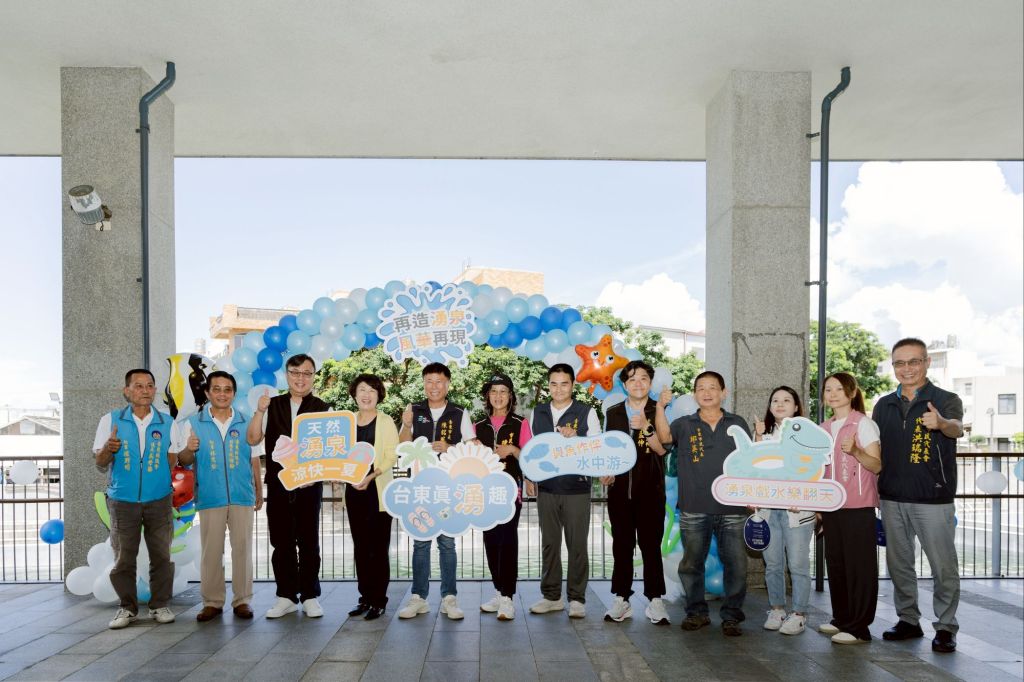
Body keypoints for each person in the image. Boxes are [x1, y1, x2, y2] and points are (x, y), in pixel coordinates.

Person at [874, 338, 964, 653]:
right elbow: (877, 449)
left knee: (943, 566)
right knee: (899, 564)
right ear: (893, 366)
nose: (907, 368)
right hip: (892, 497)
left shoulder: (945, 399)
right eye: (900, 363)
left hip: (933, 498)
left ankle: (946, 627)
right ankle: (908, 620)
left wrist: (941, 423)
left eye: (914, 361)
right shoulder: (883, 404)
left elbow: (956, 428)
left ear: (926, 362)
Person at [658, 370, 750, 637]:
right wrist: (660, 407)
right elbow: (664, 439)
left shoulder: (737, 423)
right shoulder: (684, 424)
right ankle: (696, 613)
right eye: (701, 388)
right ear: (695, 394)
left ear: (723, 392)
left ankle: (732, 616)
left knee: (737, 566)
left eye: (712, 387)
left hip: (733, 508)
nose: (706, 392)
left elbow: (749, 460)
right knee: (691, 565)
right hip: (694, 507)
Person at [172, 371, 263, 622]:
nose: (222, 394)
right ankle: (212, 602)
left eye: (227, 389)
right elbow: (184, 460)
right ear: (207, 393)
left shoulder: (247, 421)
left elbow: (255, 457)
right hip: (210, 496)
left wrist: (258, 489)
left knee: (242, 549)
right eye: (217, 389)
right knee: (211, 551)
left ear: (234, 393)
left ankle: (242, 600)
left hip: (241, 495)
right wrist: (189, 448)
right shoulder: (193, 423)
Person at [92, 369, 176, 629]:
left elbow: (172, 459)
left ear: (155, 390)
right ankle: (127, 608)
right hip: (123, 500)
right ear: (126, 391)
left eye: (150, 385)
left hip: (159, 500)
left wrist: (157, 481)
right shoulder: (111, 420)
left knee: (161, 556)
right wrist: (109, 448)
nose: (145, 390)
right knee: (123, 557)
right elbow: (100, 461)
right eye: (138, 386)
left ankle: (159, 605)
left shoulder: (167, 422)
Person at [247, 353, 329, 619]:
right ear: (287, 375)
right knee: (281, 541)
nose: (300, 378)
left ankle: (310, 596)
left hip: (310, 484)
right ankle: (286, 597)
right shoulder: (272, 404)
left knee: (309, 541)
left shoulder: (324, 408)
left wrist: (318, 473)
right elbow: (253, 439)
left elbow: (331, 450)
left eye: (306, 373)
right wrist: (260, 411)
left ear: (313, 377)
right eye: (295, 372)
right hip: (279, 483)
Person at [397, 362, 476, 620]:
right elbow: (402, 447)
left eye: (439, 381)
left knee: (447, 543)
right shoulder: (414, 409)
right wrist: (406, 425)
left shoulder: (459, 413)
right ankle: (419, 598)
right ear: (424, 384)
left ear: (447, 384)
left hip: (448, 489)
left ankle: (449, 598)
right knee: (420, 543)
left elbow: (472, 449)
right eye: (429, 381)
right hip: (420, 488)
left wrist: (450, 447)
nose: (434, 386)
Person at [527, 363, 601, 619]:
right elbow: (532, 448)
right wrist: (530, 476)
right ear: (548, 385)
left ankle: (577, 598)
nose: (558, 389)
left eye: (564, 384)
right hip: (547, 488)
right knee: (550, 544)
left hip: (576, 489)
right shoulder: (537, 412)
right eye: (554, 384)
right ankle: (552, 597)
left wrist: (577, 437)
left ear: (572, 385)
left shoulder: (586, 412)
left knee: (577, 545)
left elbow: (597, 447)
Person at [602, 360, 670, 625]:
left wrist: (645, 425)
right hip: (619, 492)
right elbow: (608, 449)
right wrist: (606, 472)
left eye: (643, 378)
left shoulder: (658, 409)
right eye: (632, 379)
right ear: (624, 385)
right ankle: (622, 598)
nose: (638, 383)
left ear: (650, 383)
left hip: (651, 492)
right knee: (621, 546)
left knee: (651, 546)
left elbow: (662, 448)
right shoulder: (614, 412)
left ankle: (655, 599)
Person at [818, 372, 882, 645]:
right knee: (837, 564)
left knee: (860, 567)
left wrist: (856, 451)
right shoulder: (823, 428)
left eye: (838, 389)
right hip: (831, 505)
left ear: (852, 392)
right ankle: (842, 619)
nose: (832, 394)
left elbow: (876, 465)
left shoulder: (863, 423)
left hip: (858, 506)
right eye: (828, 389)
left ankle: (859, 627)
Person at [753, 386, 814, 636]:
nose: (780, 404)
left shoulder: (808, 434)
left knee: (798, 564)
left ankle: (799, 614)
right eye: (775, 400)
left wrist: (804, 495)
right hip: (769, 510)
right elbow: (754, 469)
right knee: (773, 564)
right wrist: (757, 438)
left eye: (786, 400)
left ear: (796, 407)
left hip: (797, 511)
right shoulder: (763, 433)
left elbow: (814, 470)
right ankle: (777, 609)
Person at [474, 373, 532, 621]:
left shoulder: (520, 423)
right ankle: (498, 591)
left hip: (510, 491)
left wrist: (514, 450)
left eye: (503, 391)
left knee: (507, 541)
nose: (498, 396)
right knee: (490, 541)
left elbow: (531, 458)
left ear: (511, 396)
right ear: (488, 396)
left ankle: (508, 597)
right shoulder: (478, 426)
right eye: (494, 391)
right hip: (483, 494)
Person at [345, 374, 399, 621]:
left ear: (379, 395)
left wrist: (370, 476)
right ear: (354, 394)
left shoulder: (385, 421)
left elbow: (391, 455)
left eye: (372, 391)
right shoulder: (346, 421)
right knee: (361, 547)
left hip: (377, 490)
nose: (366, 395)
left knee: (378, 549)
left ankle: (379, 600)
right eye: (362, 390)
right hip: (353, 491)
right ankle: (364, 597)